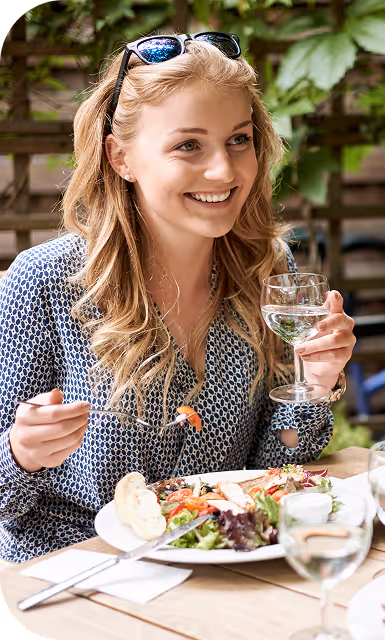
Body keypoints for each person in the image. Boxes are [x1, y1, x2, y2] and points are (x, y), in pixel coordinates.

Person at [0, 33, 356, 562]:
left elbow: (268, 474)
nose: (224, 170)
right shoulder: (46, 283)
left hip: (219, 570)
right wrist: (20, 454)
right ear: (120, 156)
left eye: (239, 140)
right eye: (188, 145)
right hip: (79, 577)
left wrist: (318, 383)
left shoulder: (267, 272)